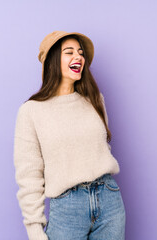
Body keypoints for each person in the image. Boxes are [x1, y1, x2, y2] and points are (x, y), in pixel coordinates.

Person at [13, 31, 126, 240]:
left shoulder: (95, 100)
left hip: (109, 200)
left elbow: (101, 148)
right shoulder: (31, 111)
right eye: (69, 52)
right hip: (67, 208)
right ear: (53, 61)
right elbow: (29, 175)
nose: (79, 57)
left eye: (80, 53)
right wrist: (34, 230)